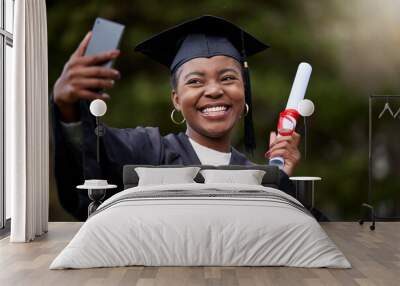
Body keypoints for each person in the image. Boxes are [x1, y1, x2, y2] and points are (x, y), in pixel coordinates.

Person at [52, 15, 301, 221]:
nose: (214, 90)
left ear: (243, 91)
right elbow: (95, 155)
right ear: (176, 99)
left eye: (227, 78)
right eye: (195, 81)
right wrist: (68, 107)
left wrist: (282, 184)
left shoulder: (256, 177)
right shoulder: (148, 151)